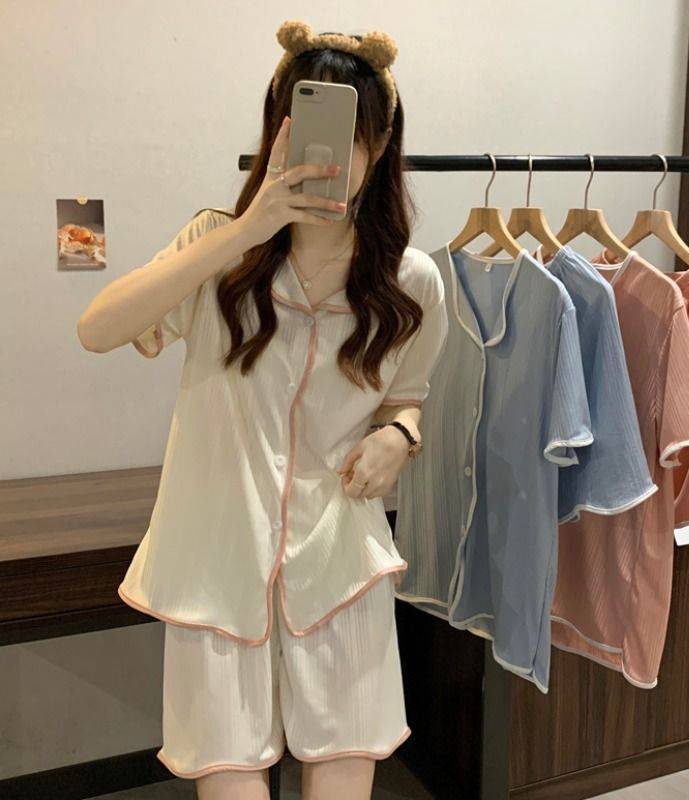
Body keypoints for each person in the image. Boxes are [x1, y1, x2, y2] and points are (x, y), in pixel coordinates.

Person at [76, 20, 448, 800]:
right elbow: (99, 329)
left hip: (339, 567)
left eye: (351, 135)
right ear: (276, 129)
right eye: (306, 125)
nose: (328, 154)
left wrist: (400, 433)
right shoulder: (218, 249)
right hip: (217, 568)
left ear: (379, 147)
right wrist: (249, 229)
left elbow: (408, 399)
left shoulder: (410, 283)